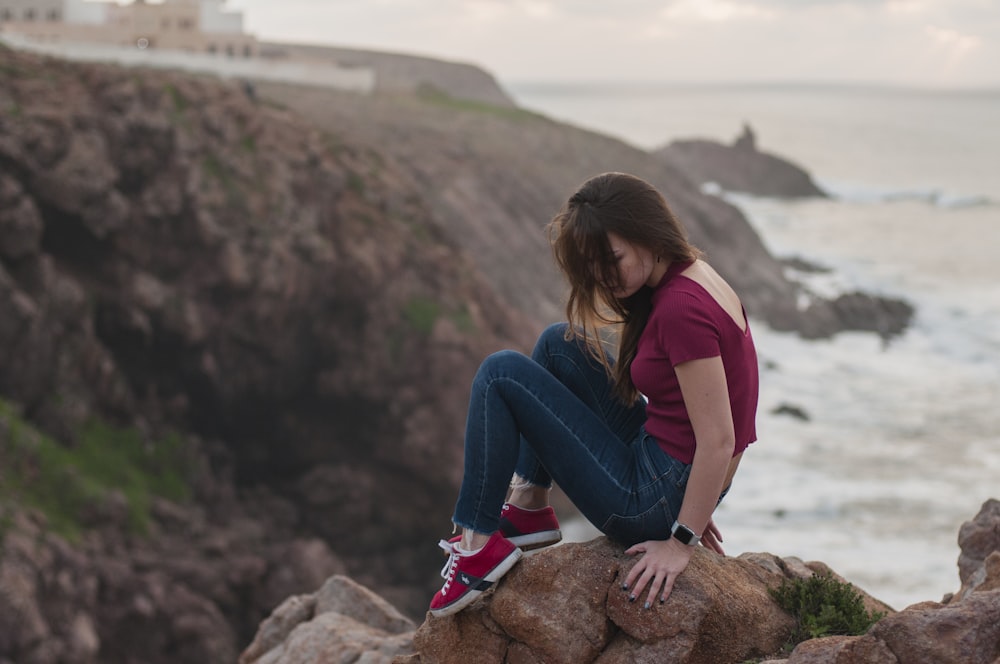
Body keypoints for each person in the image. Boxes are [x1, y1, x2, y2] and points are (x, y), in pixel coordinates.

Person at [430, 172, 759, 617]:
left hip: (649, 500)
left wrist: (682, 536)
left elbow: (721, 437)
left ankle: (474, 546)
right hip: (668, 473)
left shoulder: (681, 308)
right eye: (593, 266)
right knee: (557, 344)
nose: (603, 276)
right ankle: (527, 505)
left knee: (499, 374)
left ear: (647, 232)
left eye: (613, 258)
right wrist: (701, 498)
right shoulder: (695, 274)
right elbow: (728, 413)